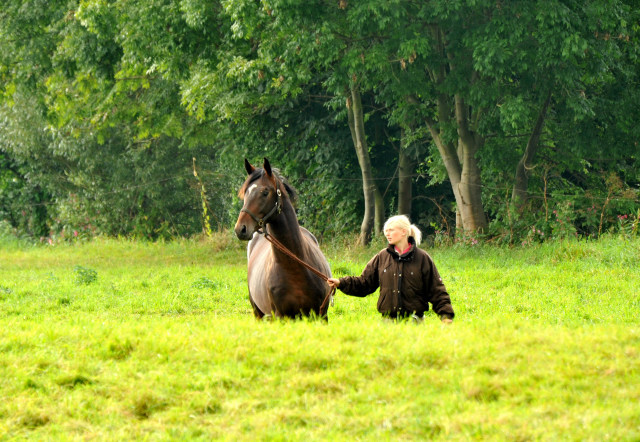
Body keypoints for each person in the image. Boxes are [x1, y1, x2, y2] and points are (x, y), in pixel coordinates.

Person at [327, 215, 454, 323]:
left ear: (404, 231)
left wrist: (446, 315)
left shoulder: (422, 258)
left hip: (415, 323)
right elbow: (364, 283)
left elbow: (436, 289)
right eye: (386, 230)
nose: (387, 233)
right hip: (388, 322)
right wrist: (341, 282)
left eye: (391, 230)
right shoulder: (382, 256)